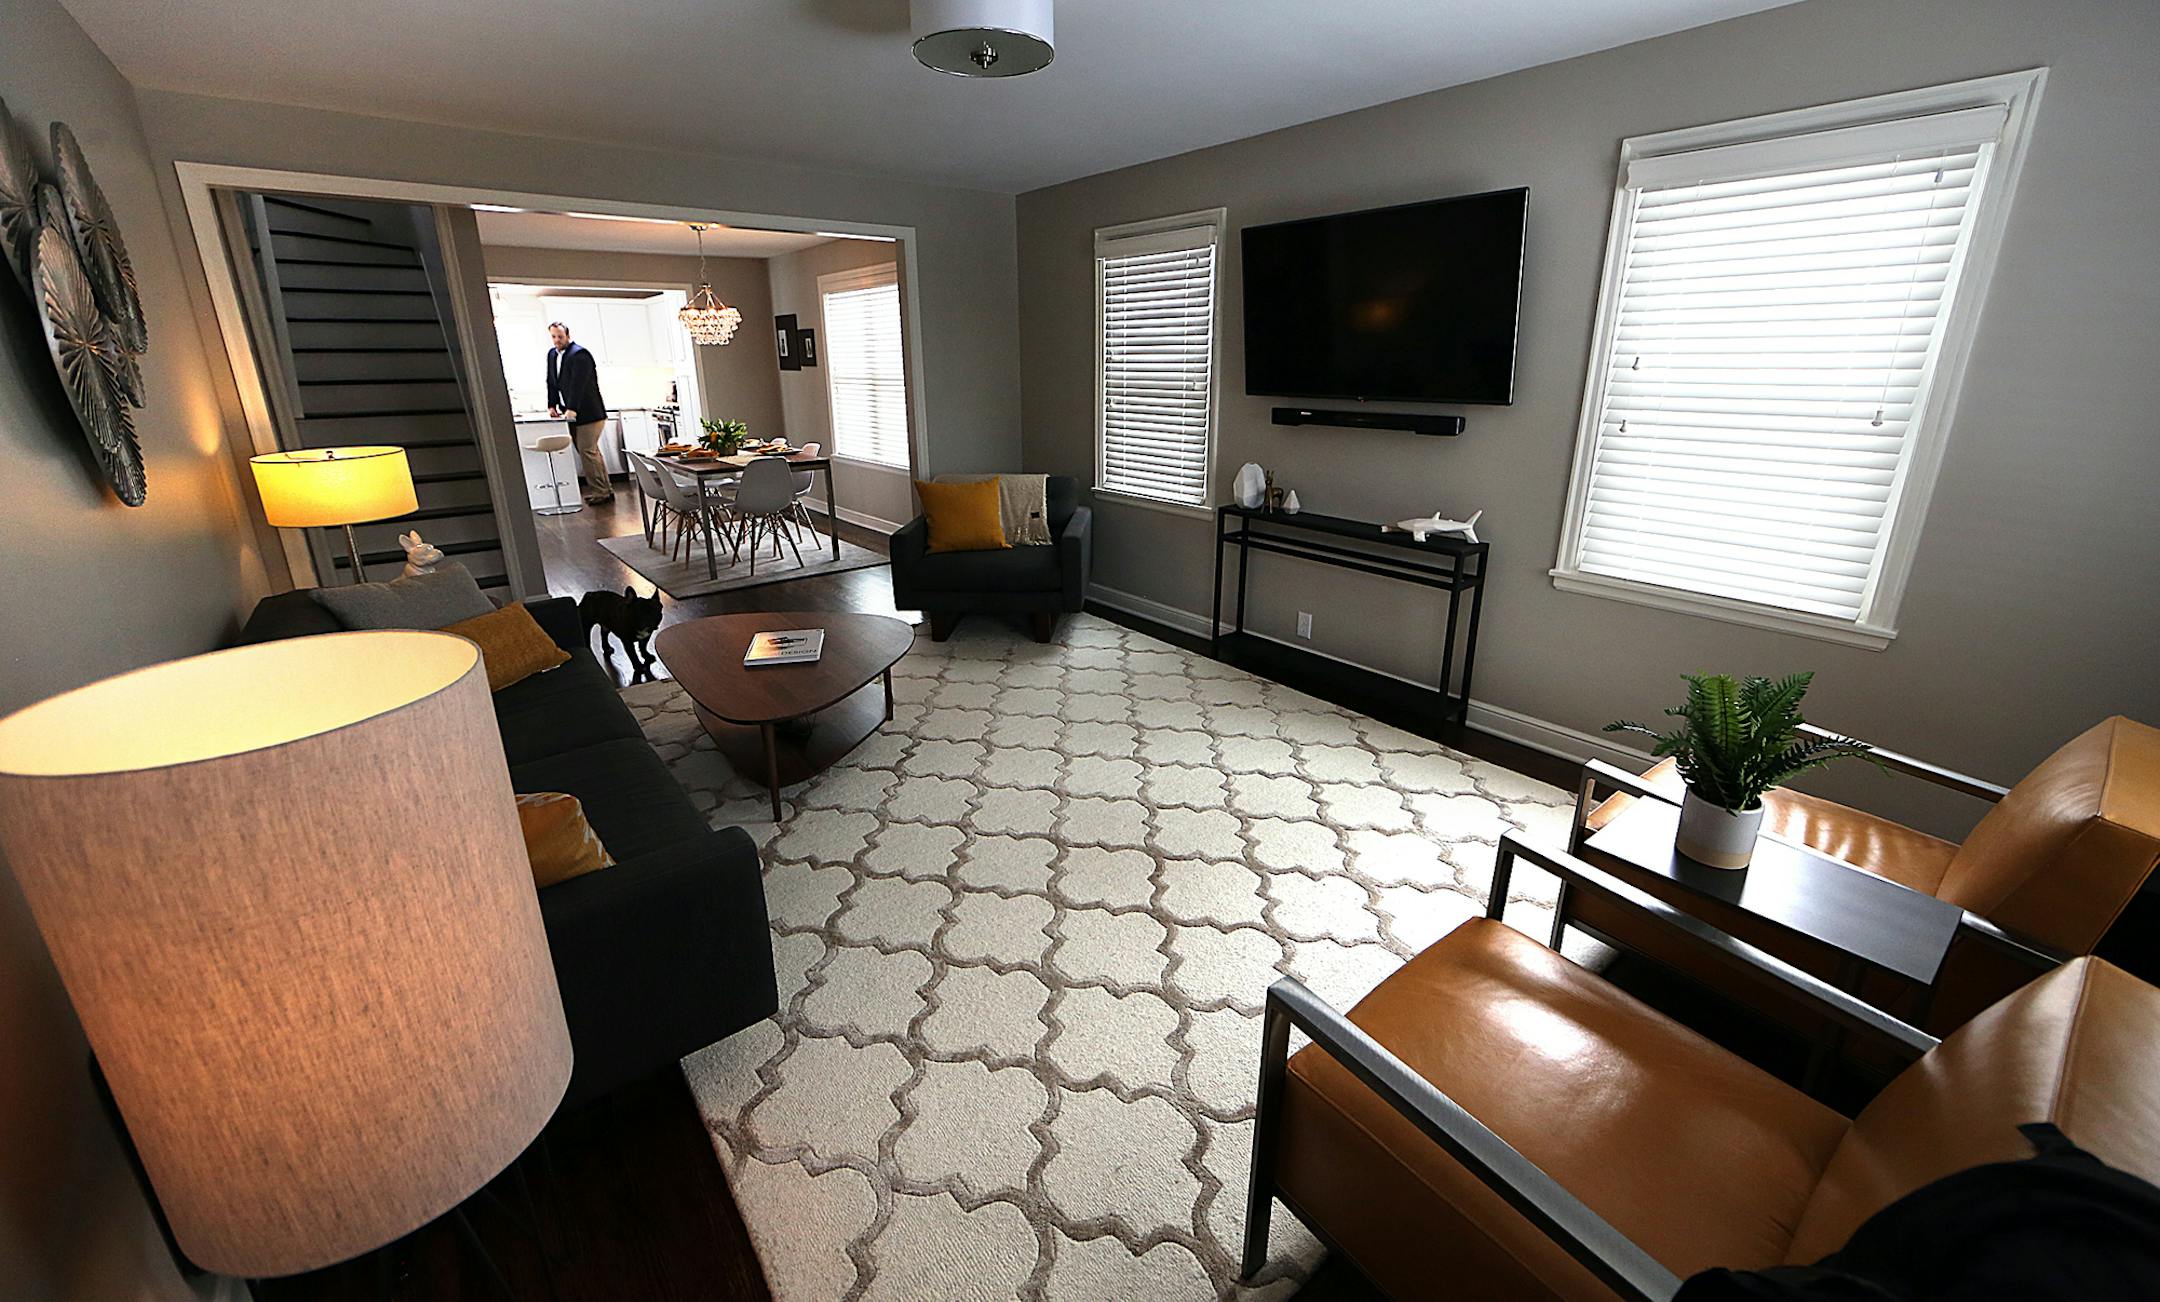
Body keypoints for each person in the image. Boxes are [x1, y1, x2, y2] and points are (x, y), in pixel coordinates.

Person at [545, 322, 613, 504]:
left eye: (560, 336)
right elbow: (551, 381)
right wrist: (552, 404)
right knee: (590, 452)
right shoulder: (552, 355)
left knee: (587, 451)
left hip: (590, 413)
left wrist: (572, 408)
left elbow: (579, 384)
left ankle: (601, 492)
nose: (557, 340)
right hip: (571, 413)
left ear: (567, 335)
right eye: (553, 337)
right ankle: (605, 489)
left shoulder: (580, 354)